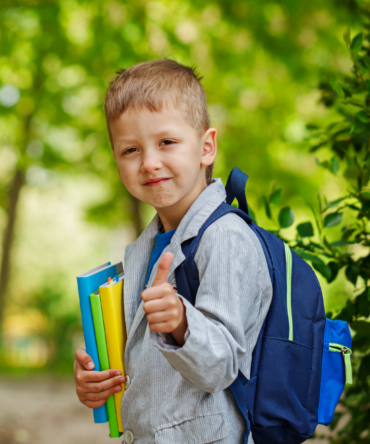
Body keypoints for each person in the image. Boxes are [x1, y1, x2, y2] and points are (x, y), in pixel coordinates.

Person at [73, 59, 272, 443]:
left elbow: (222, 365)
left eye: (166, 142)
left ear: (206, 147)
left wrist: (182, 323)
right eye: (130, 150)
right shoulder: (143, 248)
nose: (149, 163)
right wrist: (96, 382)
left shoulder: (226, 239)